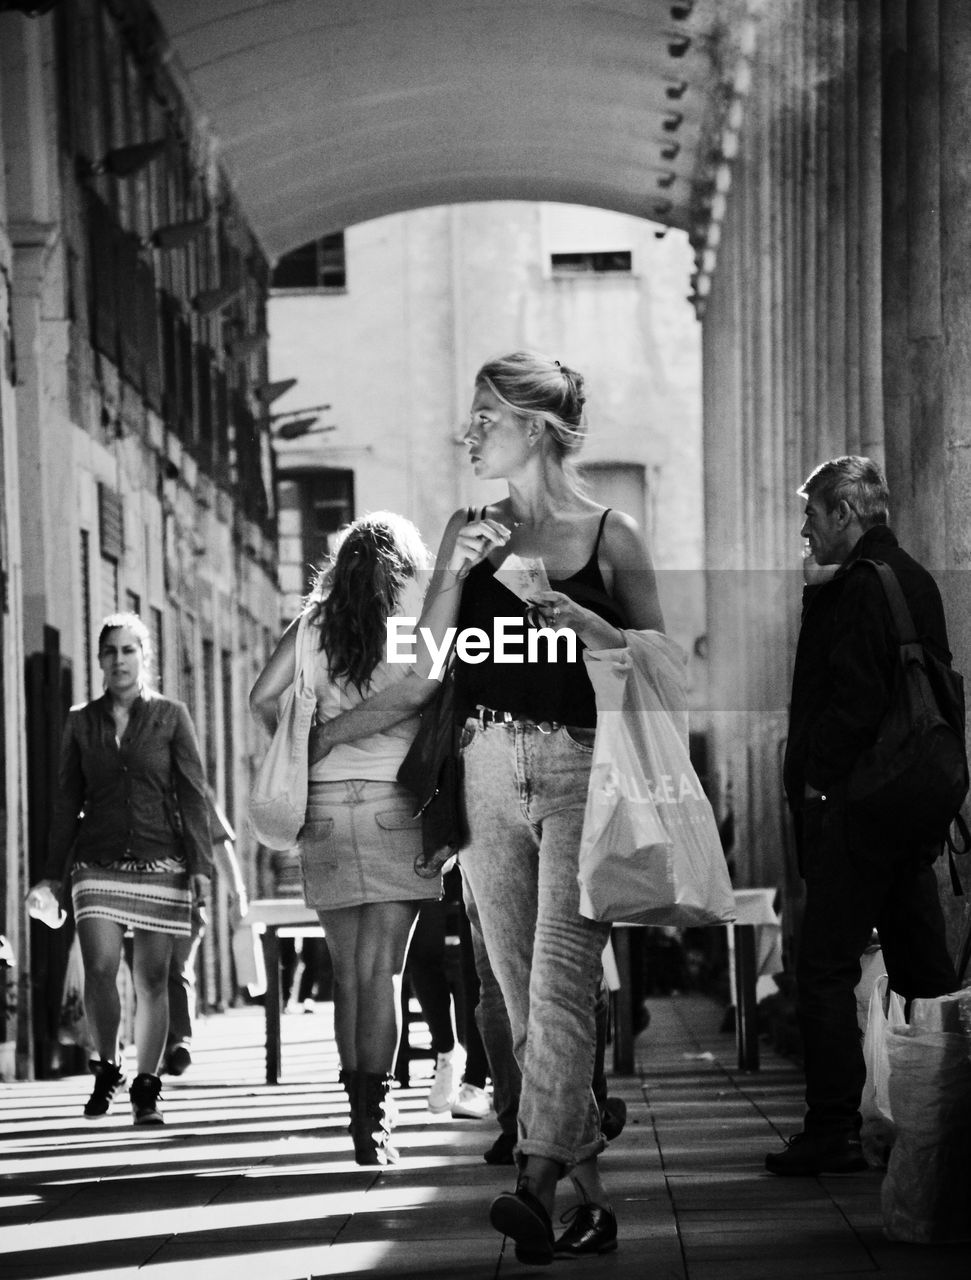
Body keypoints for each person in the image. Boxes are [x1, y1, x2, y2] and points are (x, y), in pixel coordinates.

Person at [309, 351, 664, 1261]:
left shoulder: (610, 536)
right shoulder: (470, 527)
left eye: (484, 416)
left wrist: (594, 630)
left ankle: (533, 1186)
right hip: (483, 770)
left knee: (556, 983)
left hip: (583, 771)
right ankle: (587, 1196)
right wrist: (449, 577)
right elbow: (426, 667)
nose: (468, 431)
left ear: (534, 427)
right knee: (516, 986)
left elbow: (664, 666)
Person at [766, 455, 959, 1177]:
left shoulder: (853, 588)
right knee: (922, 970)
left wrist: (817, 777)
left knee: (821, 966)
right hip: (908, 802)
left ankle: (833, 1129)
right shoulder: (912, 577)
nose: (805, 530)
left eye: (812, 514)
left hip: (857, 805)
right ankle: (946, 1118)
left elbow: (848, 701)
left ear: (845, 512)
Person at [249, 512, 440, 1165]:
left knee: (347, 974)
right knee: (381, 974)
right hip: (396, 806)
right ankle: (378, 1123)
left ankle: (357, 1115)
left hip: (324, 809)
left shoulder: (312, 627)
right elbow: (425, 695)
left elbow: (260, 696)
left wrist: (306, 736)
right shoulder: (412, 630)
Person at [27, 612, 211, 1124]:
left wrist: (201, 867)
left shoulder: (171, 716)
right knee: (102, 968)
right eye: (110, 652)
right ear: (100, 661)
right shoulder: (80, 721)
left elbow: (193, 795)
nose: (119, 660)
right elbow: (66, 801)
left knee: (153, 977)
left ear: (143, 657)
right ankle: (108, 1065)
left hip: (163, 861)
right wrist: (51, 875)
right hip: (96, 862)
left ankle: (146, 1088)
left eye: (129, 650)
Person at [163, 787, 247, 1075]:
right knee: (152, 974)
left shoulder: (194, 789)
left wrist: (238, 893)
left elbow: (218, 842)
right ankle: (165, 1042)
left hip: (185, 899)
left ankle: (177, 1042)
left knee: (174, 968)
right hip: (137, 896)